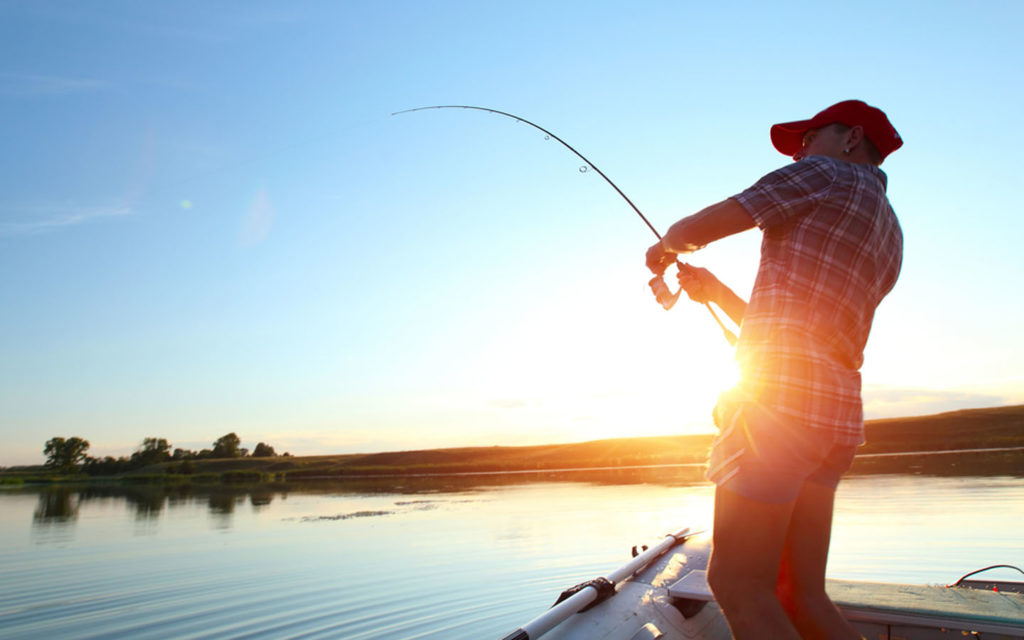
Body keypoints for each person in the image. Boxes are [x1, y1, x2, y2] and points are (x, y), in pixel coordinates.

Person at [645, 100, 903, 639]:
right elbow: (805, 327)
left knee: (739, 585)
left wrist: (667, 245)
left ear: (851, 138)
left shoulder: (824, 173)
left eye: (808, 138)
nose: (800, 151)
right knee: (802, 594)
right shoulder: (890, 229)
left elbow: (698, 228)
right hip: (834, 419)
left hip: (778, 413)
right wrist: (715, 292)